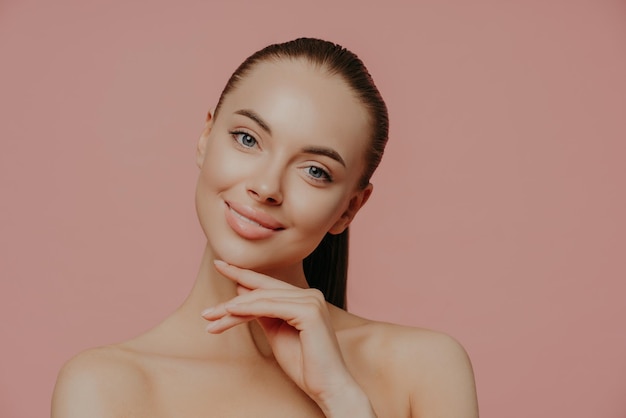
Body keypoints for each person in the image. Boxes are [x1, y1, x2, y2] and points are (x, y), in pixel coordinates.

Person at [51, 38, 479, 417]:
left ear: (349, 209)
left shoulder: (425, 368)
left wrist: (344, 399)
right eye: (248, 139)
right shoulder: (105, 387)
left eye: (315, 170)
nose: (266, 187)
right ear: (205, 137)